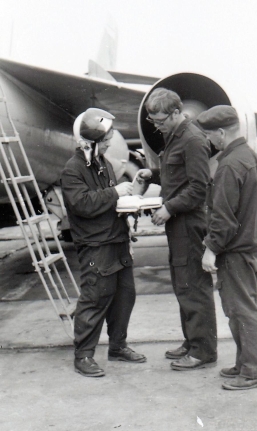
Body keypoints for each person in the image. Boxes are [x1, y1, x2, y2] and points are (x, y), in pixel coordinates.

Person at [61, 108, 151, 377]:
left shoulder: (104, 164)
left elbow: (112, 201)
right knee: (95, 298)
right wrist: (114, 192)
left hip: (117, 241)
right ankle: (84, 355)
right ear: (91, 141)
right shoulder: (73, 170)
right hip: (96, 246)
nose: (111, 141)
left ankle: (117, 346)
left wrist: (134, 187)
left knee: (125, 296)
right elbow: (82, 204)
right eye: (106, 137)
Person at [197, 105, 257, 390]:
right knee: (241, 308)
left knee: (241, 310)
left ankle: (255, 371)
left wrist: (211, 248)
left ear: (221, 132)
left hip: (236, 253)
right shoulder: (250, 157)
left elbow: (224, 217)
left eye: (209, 135)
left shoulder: (229, 165)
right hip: (251, 248)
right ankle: (246, 362)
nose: (209, 141)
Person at [145, 88, 218, 371]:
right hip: (178, 223)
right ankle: (192, 341)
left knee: (193, 286)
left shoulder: (193, 139)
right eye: (154, 121)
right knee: (182, 284)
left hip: (189, 222)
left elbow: (199, 188)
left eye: (161, 120)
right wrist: (151, 174)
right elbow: (177, 176)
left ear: (176, 112)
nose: (157, 126)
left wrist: (169, 207)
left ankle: (203, 350)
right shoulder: (174, 135)